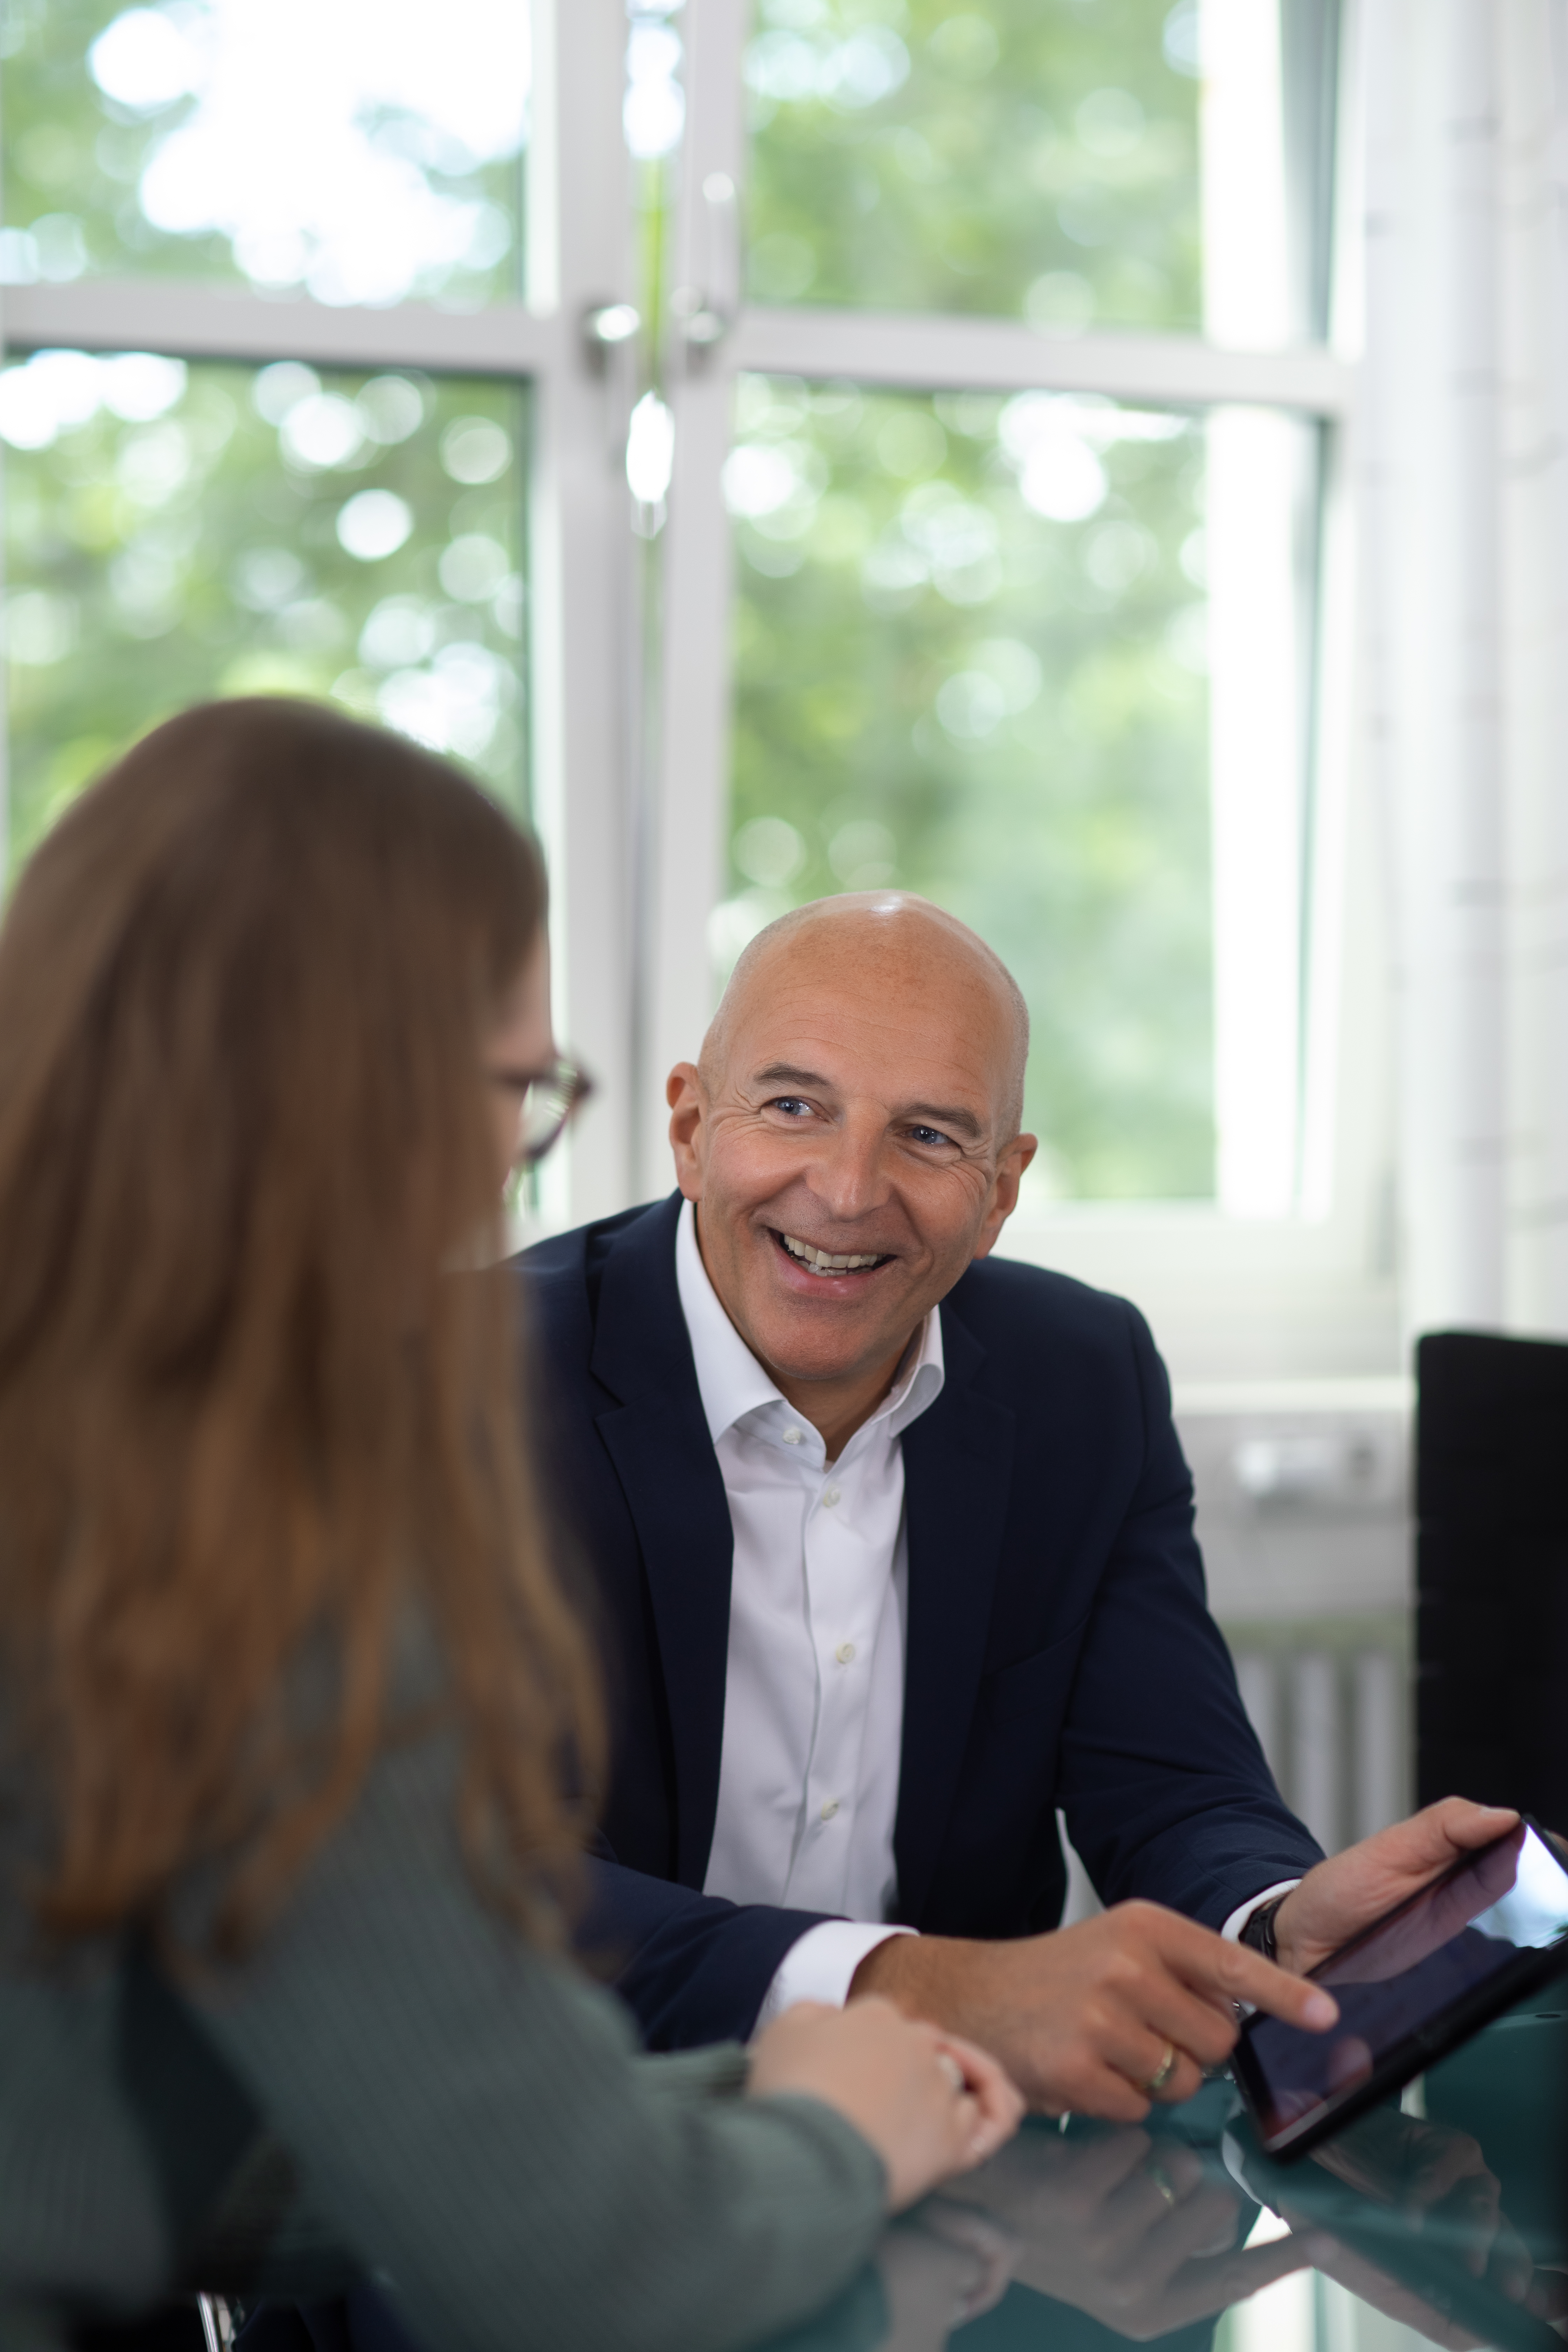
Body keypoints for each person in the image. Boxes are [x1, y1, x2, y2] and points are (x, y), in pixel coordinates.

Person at [0, 704, 1022, 2350]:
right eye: (514, 1089)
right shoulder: (236, 1543)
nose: (507, 1169)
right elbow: (592, 2271)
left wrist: (712, 2101)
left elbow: (141, 2115)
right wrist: (837, 2130)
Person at [525, 891, 1518, 2115]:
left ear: (1002, 1189)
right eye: (794, 1106)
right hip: (575, 2154)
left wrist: (1276, 1928)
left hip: (963, 2176)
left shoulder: (1080, 1378)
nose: (846, 1191)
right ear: (689, 1125)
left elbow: (1173, 1782)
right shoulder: (468, 1384)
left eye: (930, 1137)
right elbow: (482, 1890)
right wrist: (915, 1987)